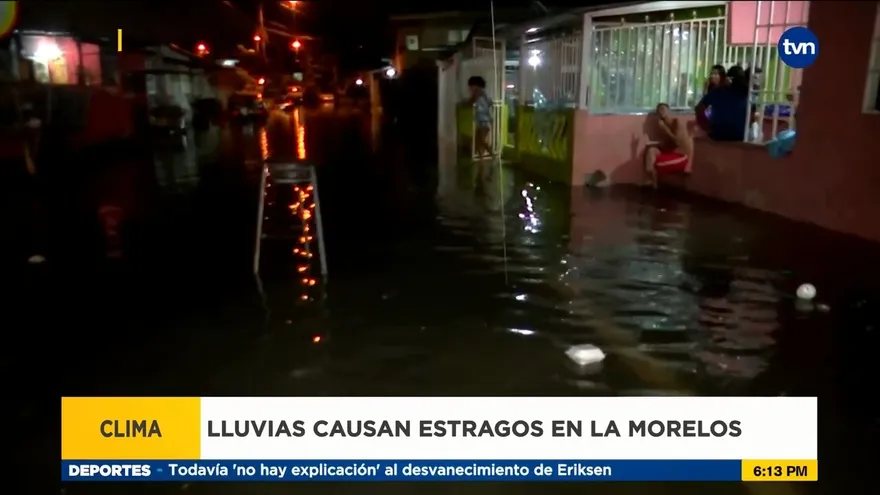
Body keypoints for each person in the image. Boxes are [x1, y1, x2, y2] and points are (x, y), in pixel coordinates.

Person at [694, 65, 749, 142]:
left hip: (717, 135)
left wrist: (707, 127)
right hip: (739, 136)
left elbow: (698, 109)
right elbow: (752, 117)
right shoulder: (747, 96)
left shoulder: (717, 92)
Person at [644, 103, 693, 188]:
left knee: (657, 164)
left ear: (669, 111)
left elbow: (677, 142)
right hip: (670, 153)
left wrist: (665, 130)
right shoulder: (662, 125)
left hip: (681, 156)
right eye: (659, 111)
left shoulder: (677, 123)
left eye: (663, 109)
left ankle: (655, 187)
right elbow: (666, 144)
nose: (661, 112)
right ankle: (654, 185)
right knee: (650, 152)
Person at [467, 76, 493, 160]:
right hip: (484, 120)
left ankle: (493, 156)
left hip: (483, 121)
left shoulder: (478, 93)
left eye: (471, 86)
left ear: (476, 85)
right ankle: (482, 160)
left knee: (481, 141)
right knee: (479, 142)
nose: (470, 88)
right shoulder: (483, 94)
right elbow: (489, 103)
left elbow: (470, 101)